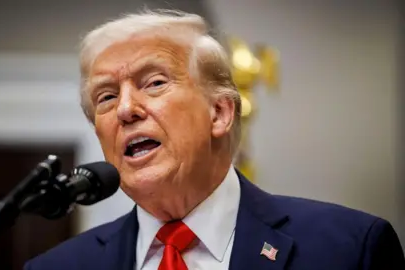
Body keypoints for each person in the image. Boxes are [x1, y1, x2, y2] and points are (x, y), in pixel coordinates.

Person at [24, 9, 404, 270]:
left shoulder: (349, 250)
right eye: (106, 96)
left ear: (219, 113)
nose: (125, 109)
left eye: (154, 83)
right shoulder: (56, 267)